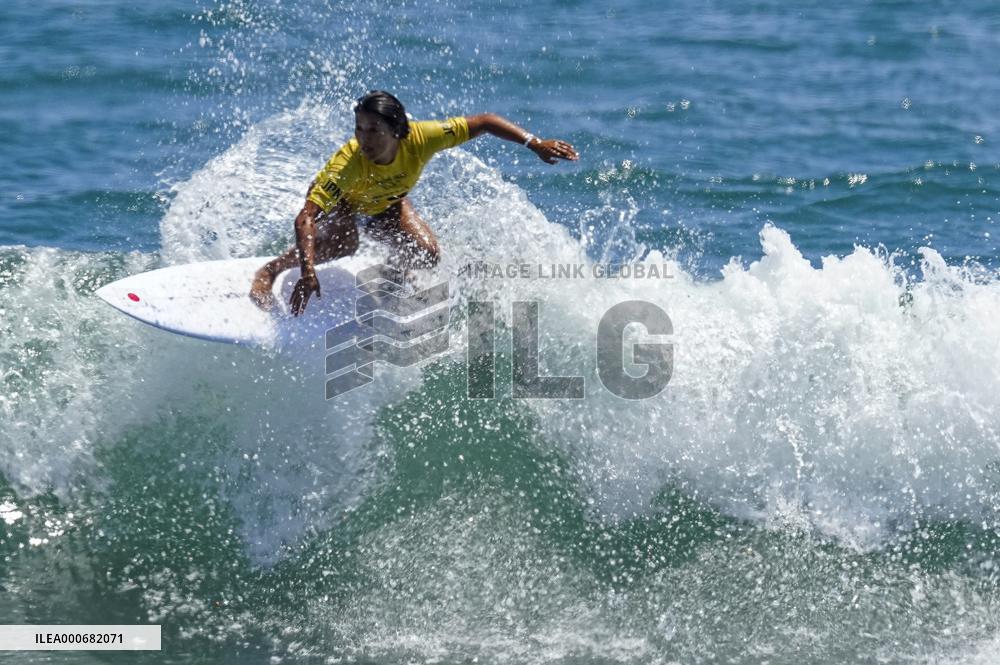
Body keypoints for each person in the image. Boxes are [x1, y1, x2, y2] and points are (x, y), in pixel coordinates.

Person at [249, 90, 579, 315]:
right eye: (359, 129)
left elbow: (485, 122)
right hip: (347, 205)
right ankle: (270, 270)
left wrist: (534, 143)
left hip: (389, 202)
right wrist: (307, 272)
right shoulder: (348, 166)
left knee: (426, 254)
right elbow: (305, 217)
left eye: (374, 130)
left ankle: (393, 278)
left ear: (397, 131)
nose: (364, 138)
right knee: (345, 244)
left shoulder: (423, 138)